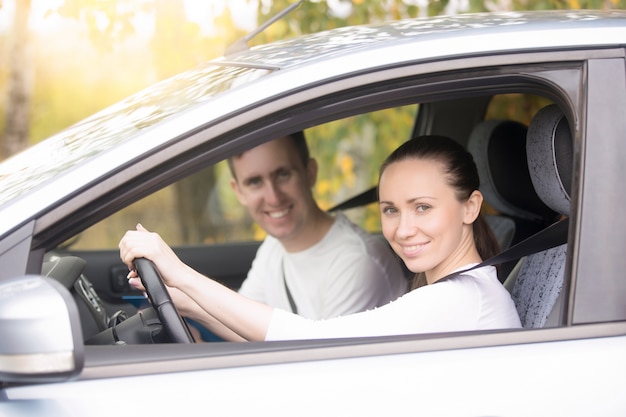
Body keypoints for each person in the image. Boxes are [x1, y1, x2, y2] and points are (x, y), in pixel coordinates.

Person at [119, 135, 521, 342]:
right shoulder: (457, 293)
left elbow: (314, 343)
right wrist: (185, 302)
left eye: (422, 207)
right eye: (390, 209)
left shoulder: (459, 300)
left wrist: (181, 274)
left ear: (470, 207)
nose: (402, 229)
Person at [227, 132, 408, 319]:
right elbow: (237, 323)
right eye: (255, 182)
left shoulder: (356, 261)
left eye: (283, 175)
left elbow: (323, 349)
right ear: (239, 192)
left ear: (310, 173)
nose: (274, 197)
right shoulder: (272, 247)